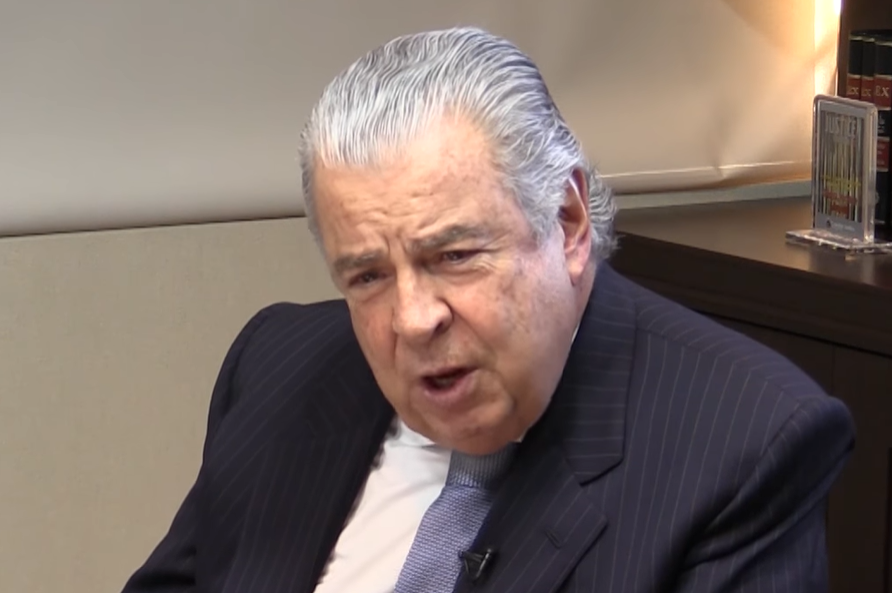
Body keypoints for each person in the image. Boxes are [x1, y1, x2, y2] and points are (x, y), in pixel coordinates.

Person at [121, 26, 855, 593]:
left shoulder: (743, 443)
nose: (414, 318)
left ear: (567, 223)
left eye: (453, 256)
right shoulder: (279, 365)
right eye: (368, 276)